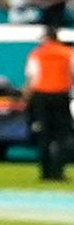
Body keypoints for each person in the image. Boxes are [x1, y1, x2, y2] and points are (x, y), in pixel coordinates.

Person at [30, 22, 71, 182]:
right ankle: (58, 171)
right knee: (62, 135)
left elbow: (32, 78)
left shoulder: (37, 54)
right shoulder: (68, 53)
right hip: (61, 95)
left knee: (44, 135)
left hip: (41, 96)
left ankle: (45, 173)